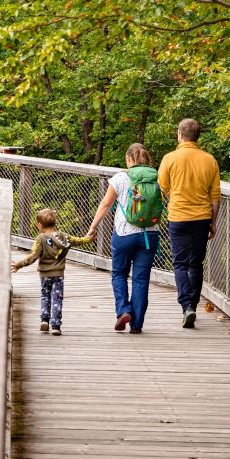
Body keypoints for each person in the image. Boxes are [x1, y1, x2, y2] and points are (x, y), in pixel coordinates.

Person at [86, 143, 165, 333]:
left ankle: (123, 310)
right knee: (141, 279)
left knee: (119, 273)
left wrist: (93, 227)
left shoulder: (120, 178)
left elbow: (106, 204)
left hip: (124, 234)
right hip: (150, 235)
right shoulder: (156, 179)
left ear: (129, 159)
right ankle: (137, 325)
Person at [158, 118, 221, 328]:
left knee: (180, 263)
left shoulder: (169, 158)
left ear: (180, 134)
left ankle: (186, 306)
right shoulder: (209, 160)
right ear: (197, 136)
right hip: (202, 218)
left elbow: (162, 188)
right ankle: (192, 304)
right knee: (196, 263)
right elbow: (215, 195)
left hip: (178, 217)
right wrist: (213, 222)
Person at [12, 208, 92, 335]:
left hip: (45, 275)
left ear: (40, 225)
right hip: (58, 274)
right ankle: (56, 326)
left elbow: (33, 256)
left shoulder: (40, 239)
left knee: (45, 295)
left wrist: (19, 265)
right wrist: (89, 238)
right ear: (55, 223)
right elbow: (78, 241)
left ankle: (44, 320)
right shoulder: (64, 237)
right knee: (57, 298)